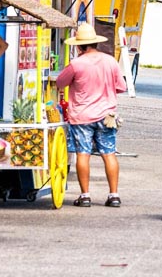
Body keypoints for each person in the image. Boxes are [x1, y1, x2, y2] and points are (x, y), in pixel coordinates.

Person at [56, 22, 127, 208]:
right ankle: (114, 195)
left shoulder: (76, 64)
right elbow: (121, 87)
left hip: (82, 117)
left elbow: (60, 83)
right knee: (109, 154)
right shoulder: (110, 61)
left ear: (79, 46)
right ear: (95, 43)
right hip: (107, 116)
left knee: (83, 154)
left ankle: (85, 195)